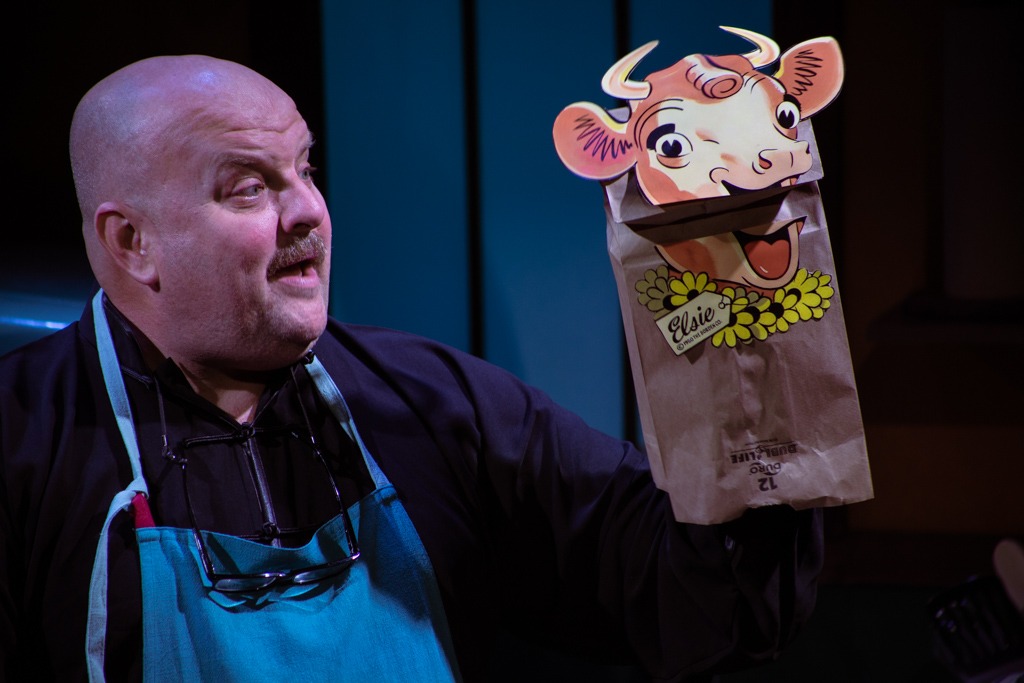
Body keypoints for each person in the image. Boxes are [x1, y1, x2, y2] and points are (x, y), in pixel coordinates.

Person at [0, 55, 822, 682]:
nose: (308, 211)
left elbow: (691, 591)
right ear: (132, 243)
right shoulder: (22, 441)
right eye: (249, 188)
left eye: (306, 170)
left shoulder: (433, 404)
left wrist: (744, 337)